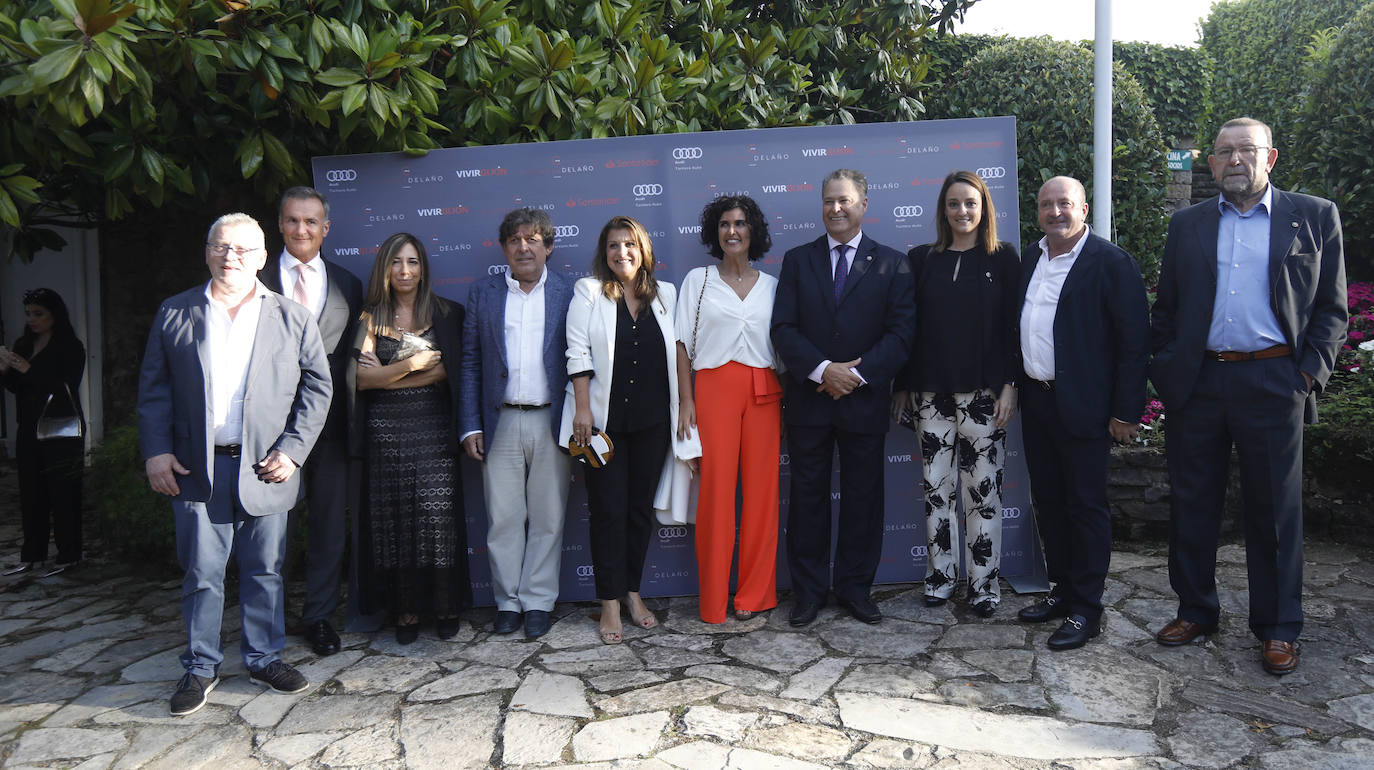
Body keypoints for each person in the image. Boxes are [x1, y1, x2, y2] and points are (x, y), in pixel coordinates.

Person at [1150, 117, 1347, 675]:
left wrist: (1307, 375)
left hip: (1273, 382)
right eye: (1223, 152)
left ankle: (1279, 627)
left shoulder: (1312, 216)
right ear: (1210, 165)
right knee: (1192, 504)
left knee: (1275, 514)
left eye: (1246, 150)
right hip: (1200, 384)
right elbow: (1166, 308)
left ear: (1271, 157)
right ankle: (1195, 610)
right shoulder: (1187, 224)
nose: (1234, 160)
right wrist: (1168, 371)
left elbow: (1331, 309)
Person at [138, 213, 331, 716]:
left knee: (265, 570)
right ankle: (200, 666)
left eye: (244, 250)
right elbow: (154, 390)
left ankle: (265, 658)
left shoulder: (291, 316)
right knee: (202, 572)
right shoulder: (175, 312)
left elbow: (318, 388)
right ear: (207, 252)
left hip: (267, 466)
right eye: (222, 247)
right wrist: (156, 451)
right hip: (194, 467)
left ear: (263, 257)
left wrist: (292, 449)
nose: (231, 257)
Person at [770, 169, 917, 628]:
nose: (836, 208)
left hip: (863, 401)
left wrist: (855, 375)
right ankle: (809, 592)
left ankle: (856, 588)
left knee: (863, 500)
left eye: (845, 200)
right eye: (829, 200)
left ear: (864, 204)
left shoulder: (894, 264)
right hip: (810, 402)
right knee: (808, 500)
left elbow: (902, 334)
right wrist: (822, 370)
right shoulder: (797, 260)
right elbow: (783, 329)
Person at [1014, 176, 1149, 650]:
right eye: (1046, 204)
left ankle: (1086, 611)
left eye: (1064, 204)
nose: (1055, 213)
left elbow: (1135, 345)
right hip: (1038, 400)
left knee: (1085, 507)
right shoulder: (1031, 257)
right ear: (1037, 211)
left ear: (1084, 209)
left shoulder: (1111, 263)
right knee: (1050, 503)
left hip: (1088, 408)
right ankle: (1063, 590)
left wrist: (1126, 411)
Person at [560, 215, 697, 644]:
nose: (623, 253)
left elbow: (679, 351)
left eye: (630, 245)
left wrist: (686, 402)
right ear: (605, 253)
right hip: (603, 426)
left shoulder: (667, 295)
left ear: (644, 251)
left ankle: (634, 593)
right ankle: (610, 603)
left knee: (639, 512)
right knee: (607, 513)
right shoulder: (589, 292)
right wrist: (583, 409)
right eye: (614, 246)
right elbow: (577, 351)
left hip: (654, 421)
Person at [892, 170, 1021, 617]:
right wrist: (903, 385)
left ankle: (984, 587)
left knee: (983, 494)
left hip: (986, 395)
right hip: (931, 396)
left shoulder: (1004, 258)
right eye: (953, 203)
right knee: (936, 491)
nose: (962, 211)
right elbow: (908, 329)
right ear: (942, 210)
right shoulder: (921, 259)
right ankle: (941, 578)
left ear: (983, 207)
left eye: (970, 202)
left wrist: (1010, 385)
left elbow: (1013, 328)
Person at [258, 186, 363, 656]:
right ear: (280, 225)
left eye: (311, 222)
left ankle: (319, 616)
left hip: (332, 429)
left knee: (326, 528)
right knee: (270, 530)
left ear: (326, 228)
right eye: (293, 221)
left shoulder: (348, 282)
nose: (302, 229)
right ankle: (267, 624)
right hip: (267, 428)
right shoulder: (255, 280)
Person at [460, 208, 574, 639]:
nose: (523, 247)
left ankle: (539, 601)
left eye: (533, 239)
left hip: (552, 419)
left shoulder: (569, 291)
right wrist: (470, 425)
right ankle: (507, 602)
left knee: (548, 516)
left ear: (548, 246)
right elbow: (470, 361)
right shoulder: (484, 293)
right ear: (504, 247)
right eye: (515, 240)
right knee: (504, 518)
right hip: (500, 421)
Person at [353, 232, 469, 644]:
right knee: (396, 524)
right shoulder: (369, 317)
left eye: (413, 262)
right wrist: (416, 364)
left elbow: (449, 372)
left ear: (424, 268)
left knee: (436, 523)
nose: (405, 271)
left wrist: (389, 374)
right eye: (396, 262)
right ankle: (405, 613)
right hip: (385, 437)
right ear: (384, 267)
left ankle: (445, 606)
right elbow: (361, 381)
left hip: (435, 432)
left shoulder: (446, 314)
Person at [676, 195, 783, 624]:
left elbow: (783, 350)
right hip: (713, 390)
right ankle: (714, 600)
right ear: (714, 232)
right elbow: (682, 344)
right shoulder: (697, 281)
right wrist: (687, 400)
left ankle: (755, 595)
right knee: (715, 498)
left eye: (740, 224)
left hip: (765, 391)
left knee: (762, 498)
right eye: (724, 224)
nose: (732, 231)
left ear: (752, 231)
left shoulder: (774, 286)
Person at [1, 288, 86, 577]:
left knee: (63, 491)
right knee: (31, 491)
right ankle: (32, 553)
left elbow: (64, 387)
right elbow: (17, 387)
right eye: (28, 314)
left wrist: (28, 370)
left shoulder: (70, 346)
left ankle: (69, 553)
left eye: (39, 314)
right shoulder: (24, 343)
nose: (32, 319)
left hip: (60, 427)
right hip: (28, 426)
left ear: (54, 315)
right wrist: (6, 370)